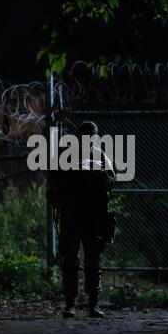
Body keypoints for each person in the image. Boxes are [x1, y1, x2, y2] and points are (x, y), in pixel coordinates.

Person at [48, 121, 116, 318]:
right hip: (73, 215)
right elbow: (52, 189)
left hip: (93, 216)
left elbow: (112, 181)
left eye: (91, 137)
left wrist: (100, 177)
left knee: (92, 262)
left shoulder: (100, 156)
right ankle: (71, 304)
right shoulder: (65, 156)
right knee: (71, 261)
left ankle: (92, 304)